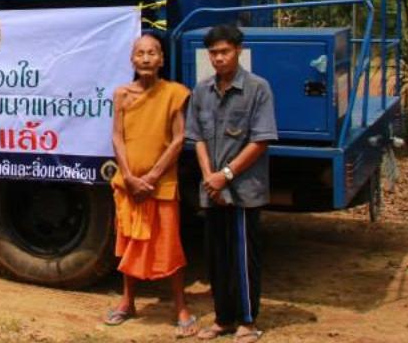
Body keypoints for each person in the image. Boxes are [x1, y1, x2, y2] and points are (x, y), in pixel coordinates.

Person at [185, 24, 278, 343]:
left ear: (238, 50)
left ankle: (247, 321)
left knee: (243, 257)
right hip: (213, 192)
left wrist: (224, 175)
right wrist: (209, 177)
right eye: (213, 53)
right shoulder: (202, 91)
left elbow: (261, 140)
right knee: (216, 257)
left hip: (242, 191)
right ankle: (223, 318)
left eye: (224, 51)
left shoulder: (257, 89)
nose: (219, 58)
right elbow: (196, 137)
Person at [105, 32, 199, 338]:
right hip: (129, 184)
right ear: (132, 59)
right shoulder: (121, 94)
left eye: (152, 53)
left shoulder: (174, 93)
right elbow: (117, 137)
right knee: (129, 242)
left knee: (169, 245)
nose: (146, 58)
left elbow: (178, 139)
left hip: (162, 184)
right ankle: (127, 302)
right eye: (140, 53)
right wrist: (130, 177)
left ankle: (180, 306)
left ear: (161, 59)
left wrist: (152, 177)